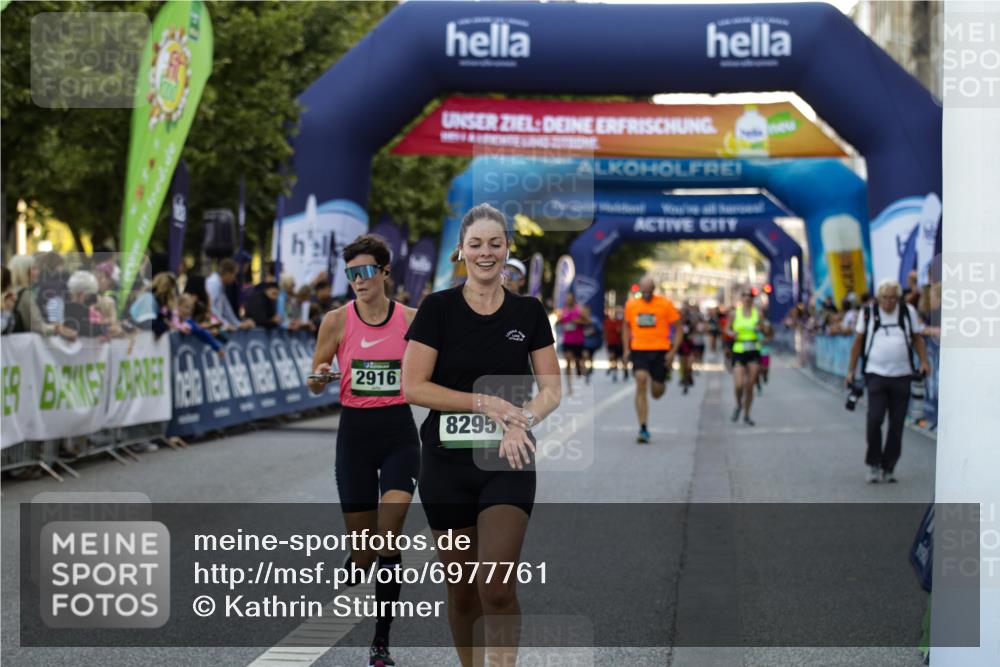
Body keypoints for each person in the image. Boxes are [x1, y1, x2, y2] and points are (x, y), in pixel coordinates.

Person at [402, 203, 561, 667]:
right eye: (476, 244)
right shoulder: (437, 308)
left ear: (507, 249)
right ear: (461, 251)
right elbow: (413, 387)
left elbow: (551, 388)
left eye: (495, 243)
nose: (486, 252)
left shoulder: (529, 312)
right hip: (445, 465)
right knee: (462, 591)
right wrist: (485, 403)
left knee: (496, 587)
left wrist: (522, 420)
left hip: (506, 461)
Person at [307, 235, 420, 667]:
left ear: (385, 272)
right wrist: (320, 375)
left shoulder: (411, 319)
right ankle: (358, 554)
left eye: (366, 271)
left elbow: (431, 367)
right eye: (351, 273)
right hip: (354, 435)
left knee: (389, 534)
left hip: (398, 434)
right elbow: (317, 372)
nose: (358, 280)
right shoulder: (336, 320)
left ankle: (380, 641)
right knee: (365, 546)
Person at [846, 279, 930, 483]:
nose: (889, 302)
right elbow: (858, 341)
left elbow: (917, 337)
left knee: (897, 424)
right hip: (875, 374)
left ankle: (889, 466)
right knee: (874, 420)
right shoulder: (869, 313)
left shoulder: (907, 311)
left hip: (902, 375)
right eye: (885, 298)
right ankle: (873, 463)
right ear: (878, 297)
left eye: (893, 298)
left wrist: (924, 361)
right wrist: (851, 370)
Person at [623, 277, 681, 444]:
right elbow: (626, 327)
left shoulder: (665, 304)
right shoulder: (631, 305)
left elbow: (678, 329)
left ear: (654, 289)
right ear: (640, 289)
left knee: (656, 392)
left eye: (650, 290)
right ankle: (643, 428)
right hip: (639, 349)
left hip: (660, 351)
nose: (647, 294)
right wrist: (627, 349)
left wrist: (672, 351)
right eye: (644, 290)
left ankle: (663, 380)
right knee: (640, 381)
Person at [726, 288, 771, 426]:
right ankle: (739, 404)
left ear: (752, 299)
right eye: (744, 296)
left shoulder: (758, 314)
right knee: (739, 384)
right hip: (739, 349)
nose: (747, 298)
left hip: (753, 349)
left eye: (749, 296)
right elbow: (727, 328)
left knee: (750, 385)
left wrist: (762, 333)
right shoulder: (735, 314)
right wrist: (732, 334)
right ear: (741, 299)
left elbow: (766, 331)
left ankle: (746, 414)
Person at [7, 255, 75, 339]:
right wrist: (59, 330)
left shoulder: (10, 292)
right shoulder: (25, 294)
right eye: (33, 269)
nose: (37, 272)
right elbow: (38, 326)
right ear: (23, 272)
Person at [206, 258, 253, 330]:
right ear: (228, 273)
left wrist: (239, 324)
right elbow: (211, 308)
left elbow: (226, 308)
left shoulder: (220, 285)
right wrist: (225, 324)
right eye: (234, 275)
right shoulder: (213, 284)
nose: (234, 279)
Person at [556, 292, 587, 396]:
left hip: (578, 341)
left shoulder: (579, 309)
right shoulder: (563, 310)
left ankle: (580, 369)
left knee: (578, 362)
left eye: (570, 299)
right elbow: (559, 321)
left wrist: (579, 321)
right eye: (567, 299)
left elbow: (588, 321)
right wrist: (558, 321)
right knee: (568, 361)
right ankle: (569, 388)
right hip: (567, 341)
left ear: (573, 299)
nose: (568, 300)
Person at [603, 305, 625, 382]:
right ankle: (614, 373)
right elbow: (605, 332)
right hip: (611, 343)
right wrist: (605, 341)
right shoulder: (607, 322)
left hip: (620, 343)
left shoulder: (620, 321)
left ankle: (625, 370)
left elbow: (623, 331)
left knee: (622, 359)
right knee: (612, 358)